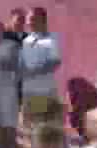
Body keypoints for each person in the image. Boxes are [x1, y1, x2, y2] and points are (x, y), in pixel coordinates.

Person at [19, 8, 62, 140]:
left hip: (44, 91)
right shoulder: (26, 41)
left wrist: (34, 72)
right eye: (28, 19)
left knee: (46, 129)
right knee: (29, 129)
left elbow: (55, 62)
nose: (28, 22)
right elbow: (21, 64)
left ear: (42, 20)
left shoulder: (51, 39)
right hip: (28, 92)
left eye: (32, 19)